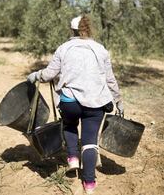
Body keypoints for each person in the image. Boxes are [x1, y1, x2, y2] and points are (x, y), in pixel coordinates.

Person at [27, 15, 123, 194]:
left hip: (70, 102)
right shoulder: (101, 49)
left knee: (70, 125)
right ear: (90, 29)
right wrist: (118, 100)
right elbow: (110, 79)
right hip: (95, 103)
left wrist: (35, 75)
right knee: (89, 142)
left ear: (72, 31)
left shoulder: (63, 48)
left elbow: (49, 74)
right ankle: (89, 183)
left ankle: (72, 157)